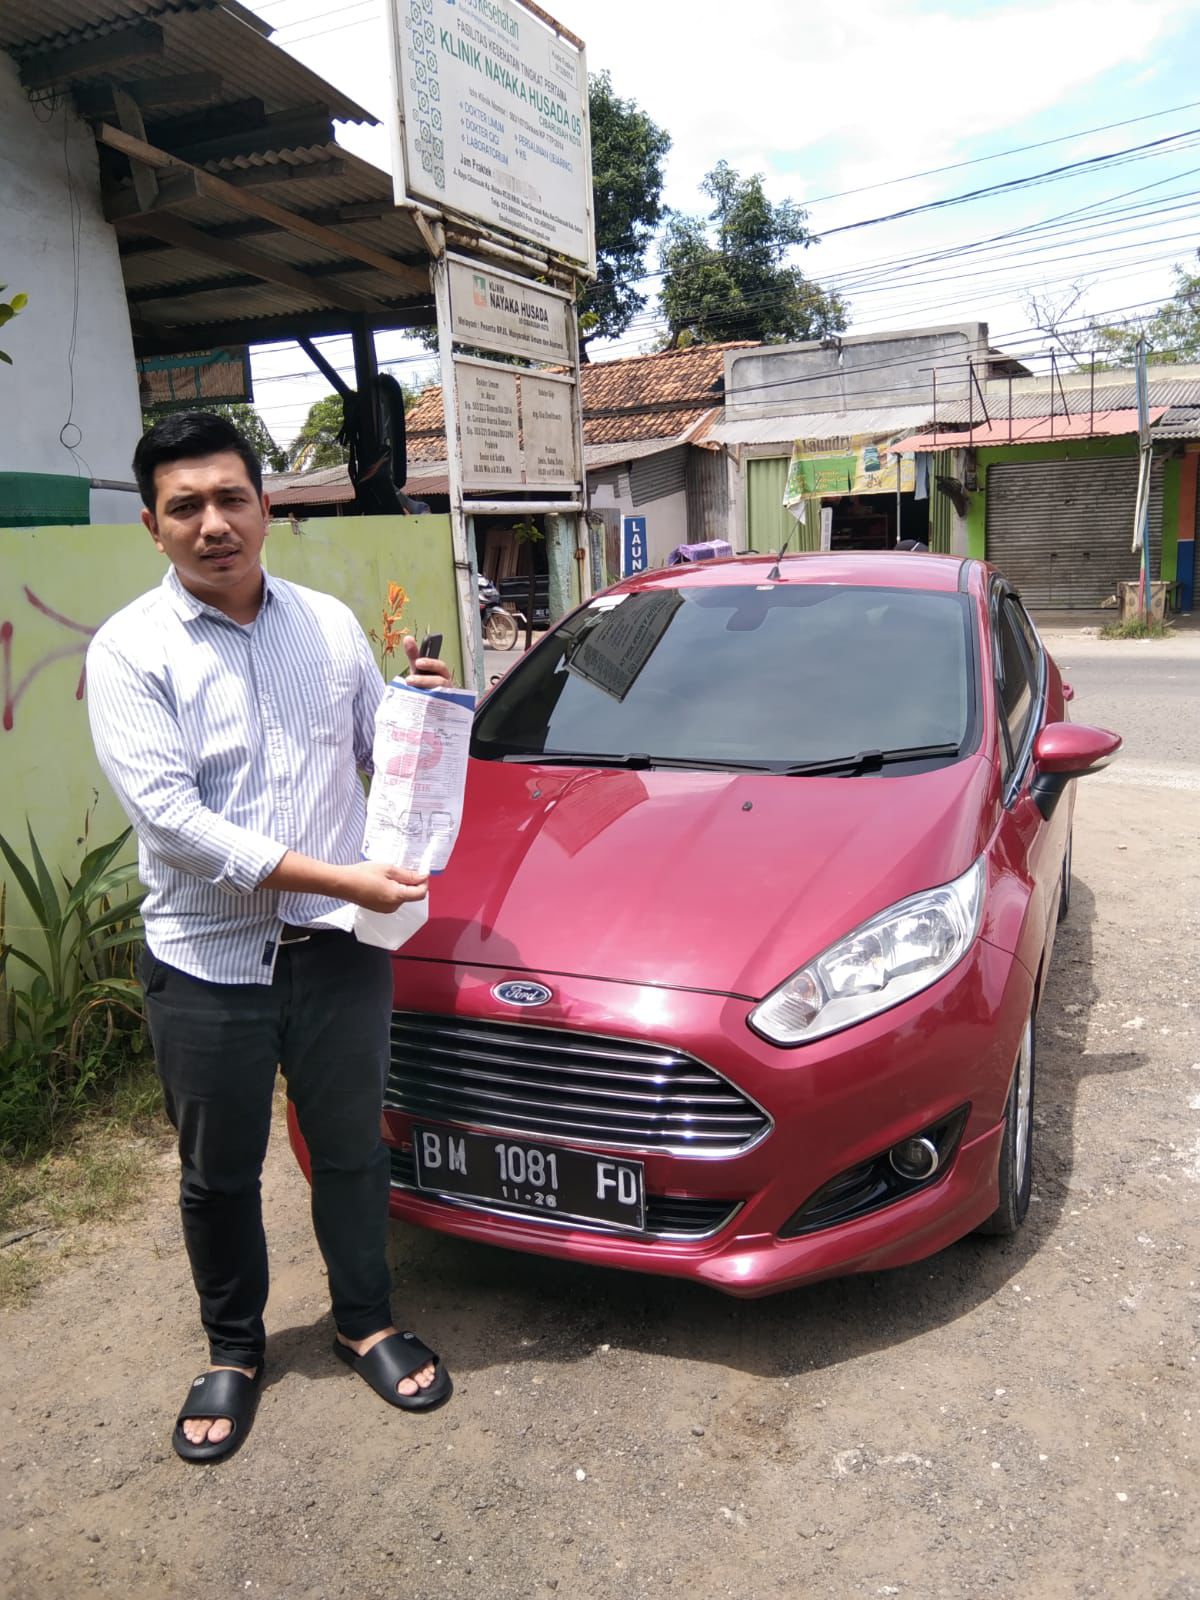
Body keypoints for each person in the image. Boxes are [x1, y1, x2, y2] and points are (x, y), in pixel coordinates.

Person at [86, 411, 454, 1464]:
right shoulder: (129, 652)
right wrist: (340, 877)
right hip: (207, 963)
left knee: (350, 1151)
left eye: (231, 498)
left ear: (264, 508)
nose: (213, 524)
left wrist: (417, 716)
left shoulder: (329, 626)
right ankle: (235, 1348)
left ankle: (364, 1320)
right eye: (185, 506)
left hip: (339, 952)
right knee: (219, 1172)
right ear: (152, 526)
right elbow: (176, 825)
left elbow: (374, 754)